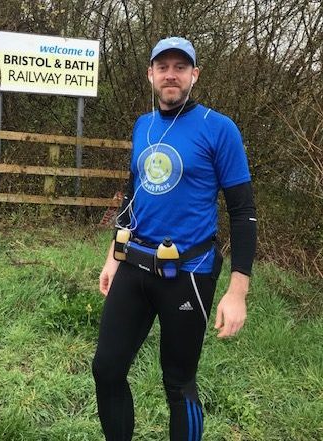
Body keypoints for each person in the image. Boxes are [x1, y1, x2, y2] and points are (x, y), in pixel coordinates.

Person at [92, 37, 257, 441]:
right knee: (106, 368)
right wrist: (115, 255)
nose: (170, 74)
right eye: (162, 66)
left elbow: (243, 212)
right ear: (150, 74)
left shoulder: (219, 129)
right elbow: (133, 195)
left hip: (189, 273)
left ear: (194, 75)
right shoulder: (142, 125)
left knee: (178, 382)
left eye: (179, 67)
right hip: (134, 265)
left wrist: (238, 291)